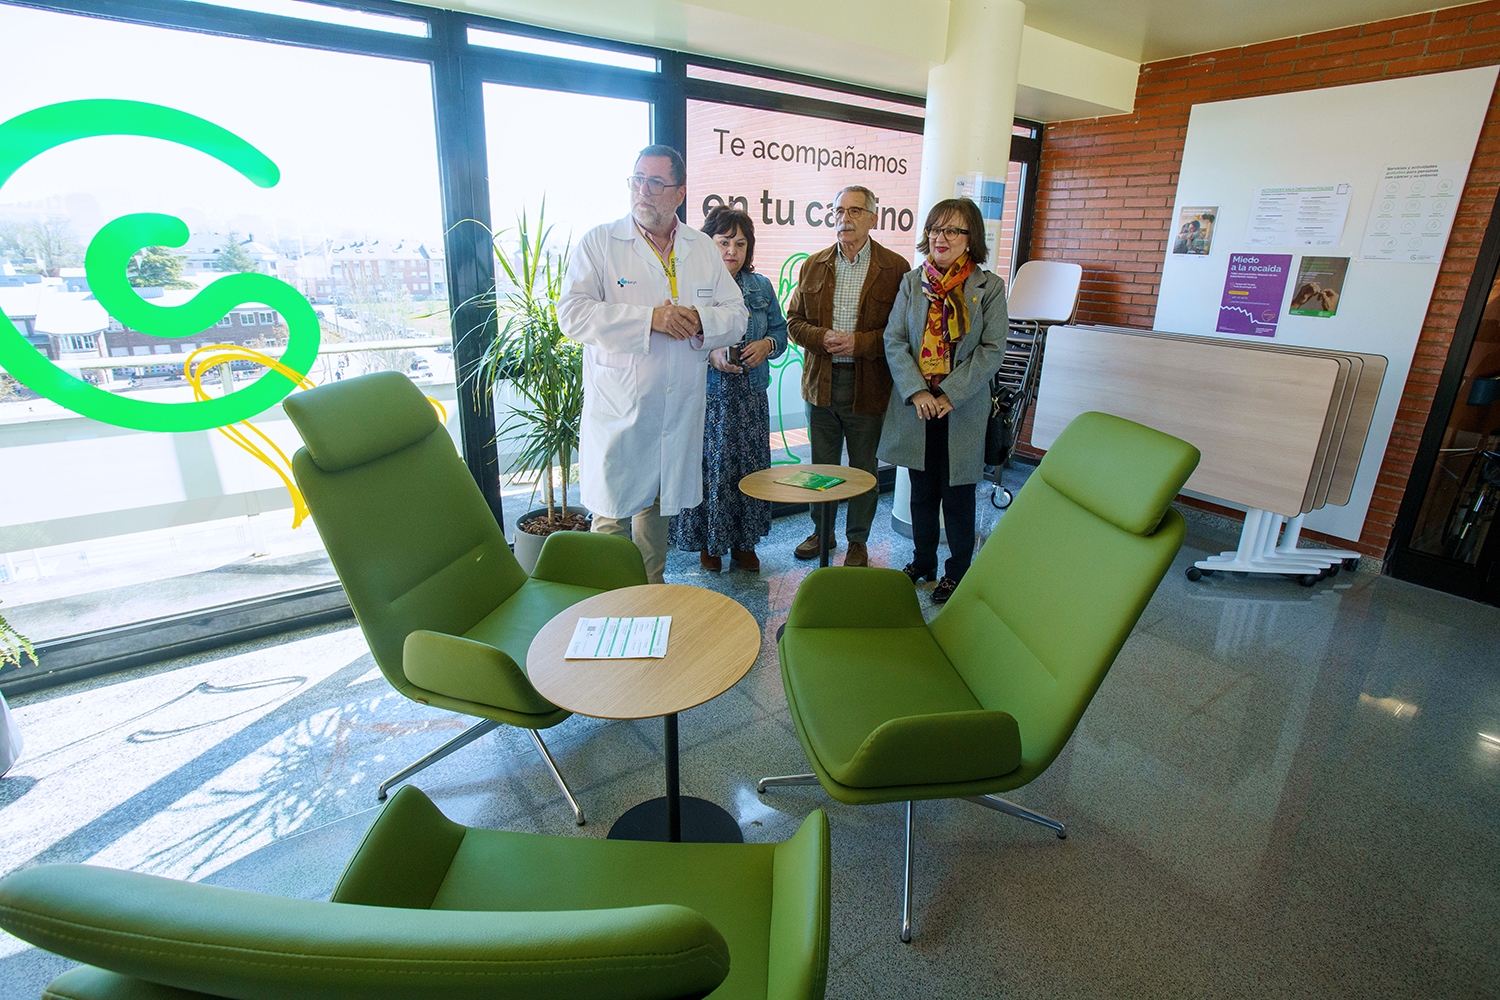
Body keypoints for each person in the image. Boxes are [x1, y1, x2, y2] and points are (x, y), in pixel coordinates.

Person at [557, 144, 748, 584]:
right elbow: (573, 314)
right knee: (611, 518)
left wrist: (701, 319)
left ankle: (650, 597)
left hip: (675, 410)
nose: (643, 190)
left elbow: (736, 315)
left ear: (679, 193)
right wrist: (651, 319)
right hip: (619, 410)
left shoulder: (701, 248)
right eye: (637, 180)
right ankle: (611, 605)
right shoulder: (601, 242)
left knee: (655, 513)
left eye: (656, 182)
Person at [879, 197, 1008, 604]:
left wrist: (950, 393)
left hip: (962, 408)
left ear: (971, 240)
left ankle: (957, 570)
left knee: (958, 493)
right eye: (935, 229)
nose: (941, 237)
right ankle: (922, 561)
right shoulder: (912, 282)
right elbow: (895, 339)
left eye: (953, 230)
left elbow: (992, 349)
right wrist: (917, 390)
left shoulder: (990, 287)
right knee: (920, 491)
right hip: (918, 406)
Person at [785, 185, 909, 567]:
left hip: (867, 386)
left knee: (861, 471)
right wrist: (820, 337)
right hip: (820, 385)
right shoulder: (814, 264)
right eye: (839, 211)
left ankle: (858, 541)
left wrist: (859, 343)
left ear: (874, 218)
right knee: (820, 469)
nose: (845, 218)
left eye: (856, 211)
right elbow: (793, 321)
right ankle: (822, 533)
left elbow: (900, 330)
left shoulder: (895, 268)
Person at [669, 207, 787, 571]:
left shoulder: (760, 286)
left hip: (750, 397)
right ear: (709, 243)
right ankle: (711, 543)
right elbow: (675, 344)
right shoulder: (693, 286)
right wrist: (711, 354)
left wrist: (766, 346)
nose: (732, 250)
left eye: (740, 242)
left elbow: (781, 332)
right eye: (723, 242)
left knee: (749, 471)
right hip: (707, 398)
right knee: (711, 472)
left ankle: (744, 543)